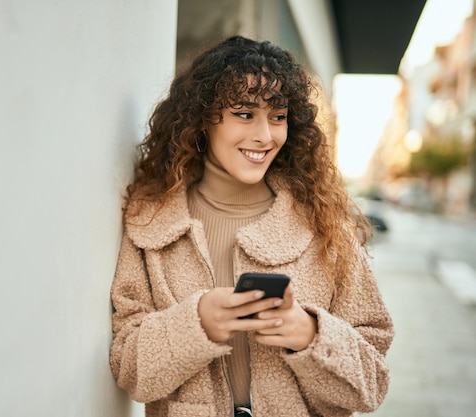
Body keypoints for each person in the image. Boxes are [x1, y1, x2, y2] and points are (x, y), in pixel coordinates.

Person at [109, 36, 394, 417]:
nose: (265, 135)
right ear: (202, 119)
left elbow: (372, 384)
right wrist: (196, 324)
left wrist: (310, 334)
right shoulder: (151, 221)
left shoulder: (325, 226)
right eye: (245, 114)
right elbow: (129, 370)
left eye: (278, 117)